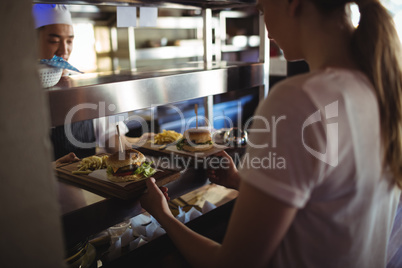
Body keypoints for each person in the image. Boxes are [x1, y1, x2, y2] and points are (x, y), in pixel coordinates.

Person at [140, 0, 402, 267]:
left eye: (263, 9)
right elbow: (332, 210)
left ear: (293, 4)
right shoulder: (381, 88)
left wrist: (163, 215)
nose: (265, 30)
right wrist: (241, 182)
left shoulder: (300, 99)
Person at [33, 4, 128, 160]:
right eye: (54, 41)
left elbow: (111, 137)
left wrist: (137, 151)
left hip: (87, 182)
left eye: (69, 41)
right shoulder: (18, 94)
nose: (64, 51)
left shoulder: (83, 89)